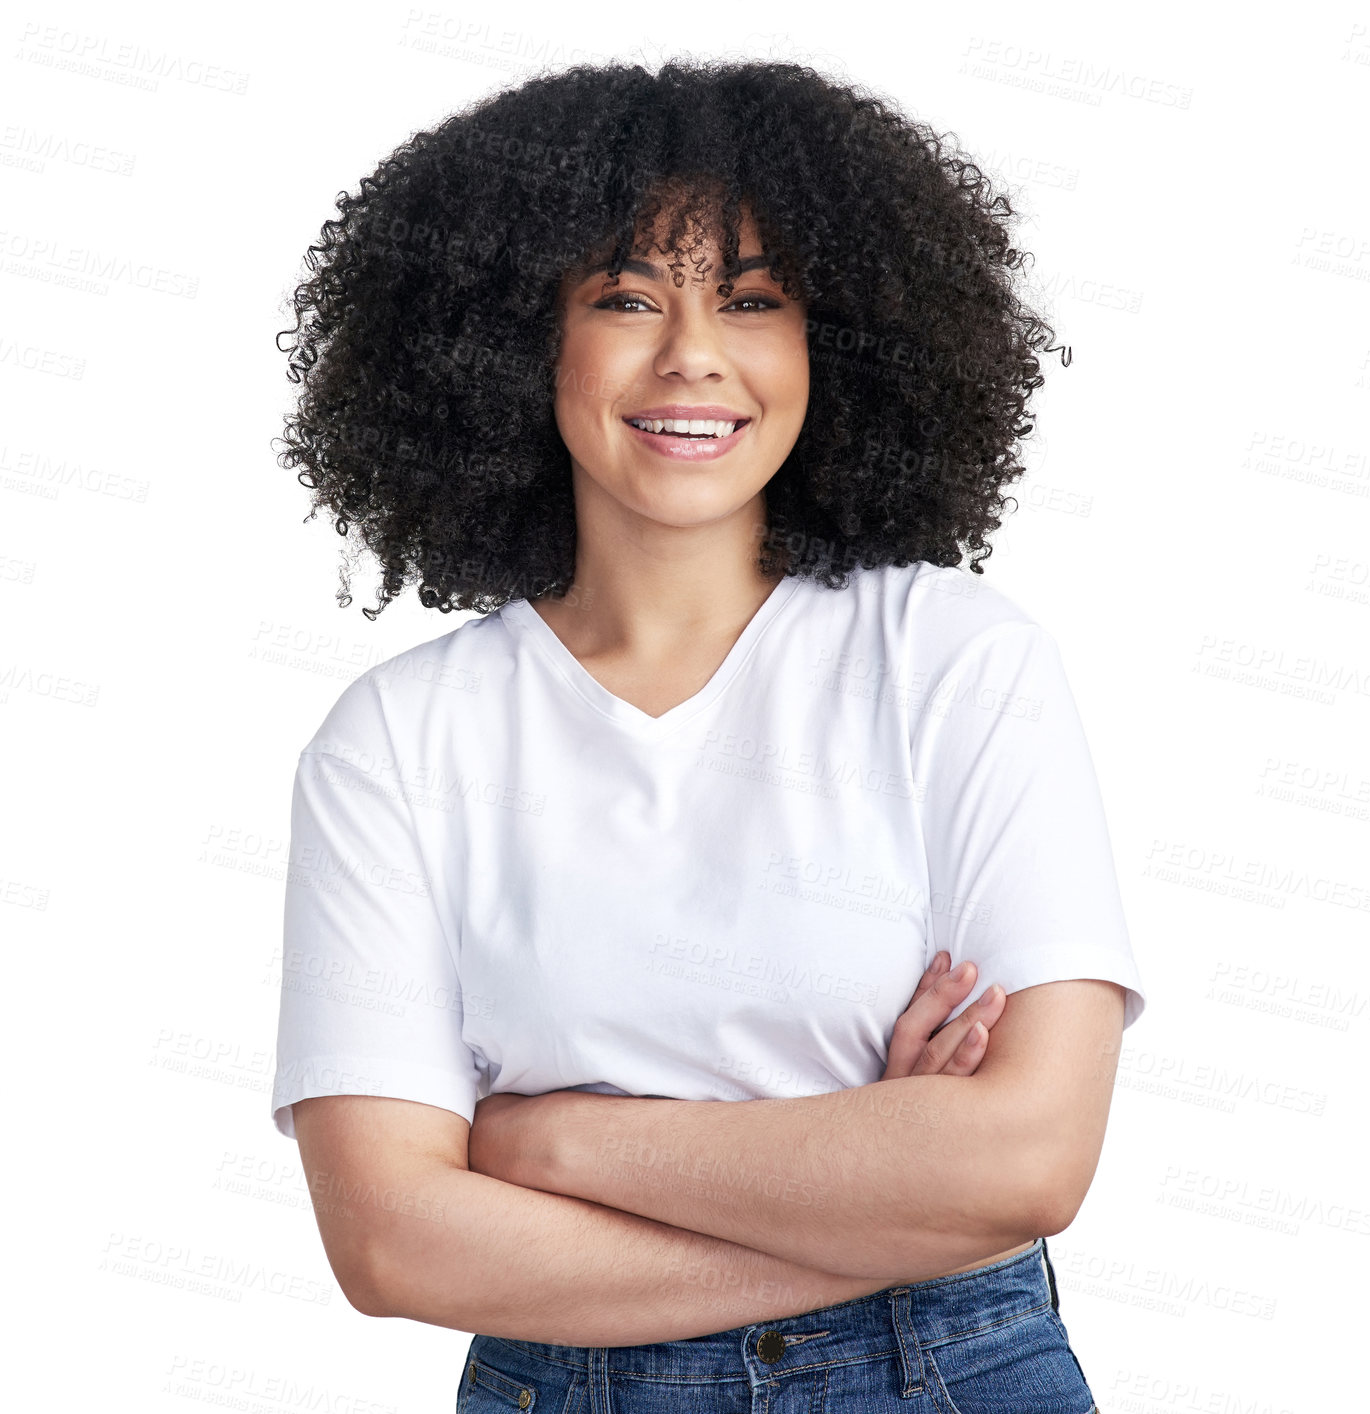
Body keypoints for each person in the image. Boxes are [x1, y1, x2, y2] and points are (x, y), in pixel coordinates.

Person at [271, 56, 1144, 1413]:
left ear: (831, 342)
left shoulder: (949, 660)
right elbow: (392, 1240)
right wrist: (882, 1196)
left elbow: (1022, 1167)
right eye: (624, 297)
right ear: (513, 341)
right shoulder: (399, 739)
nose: (693, 355)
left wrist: (548, 1142)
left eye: (751, 300)